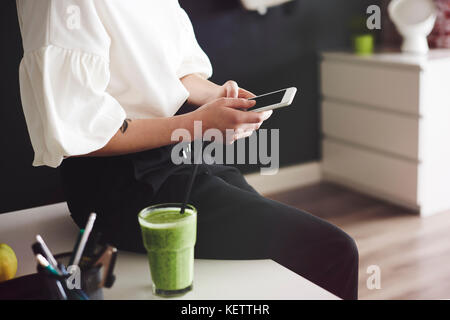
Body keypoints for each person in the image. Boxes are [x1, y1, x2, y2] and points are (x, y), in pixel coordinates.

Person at [16, 0, 358, 299]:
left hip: (173, 154)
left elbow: (175, 72)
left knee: (275, 253)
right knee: (334, 250)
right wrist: (199, 124)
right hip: (119, 185)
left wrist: (219, 98)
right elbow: (83, 131)